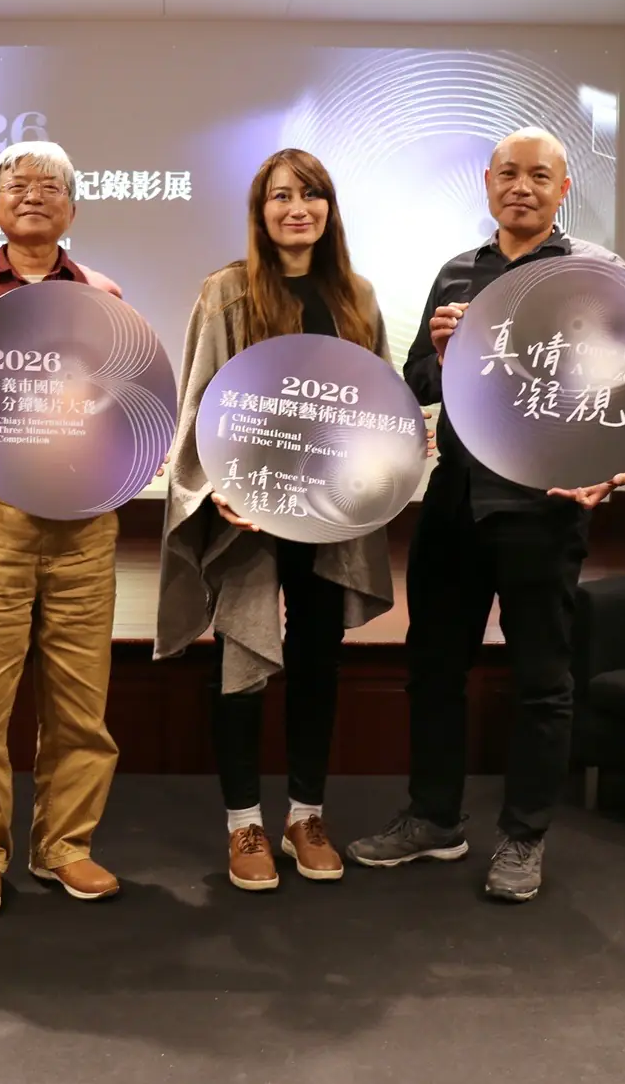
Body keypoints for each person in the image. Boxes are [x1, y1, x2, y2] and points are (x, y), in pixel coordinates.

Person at [346, 127, 625, 903]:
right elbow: (415, 380)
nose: (521, 186)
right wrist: (440, 355)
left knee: (540, 678)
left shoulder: (594, 273)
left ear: (562, 188)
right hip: (455, 497)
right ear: (486, 182)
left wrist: (619, 466)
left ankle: (523, 835)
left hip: (543, 503)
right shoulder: (457, 271)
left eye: (538, 175)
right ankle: (433, 817)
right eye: (508, 173)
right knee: (433, 667)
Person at [158, 148, 396, 892]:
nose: (298, 208)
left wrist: (395, 450)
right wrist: (217, 487)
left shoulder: (356, 295)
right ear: (260, 212)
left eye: (312, 194)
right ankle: (243, 821)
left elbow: (375, 400)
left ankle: (304, 815)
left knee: (319, 657)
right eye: (281, 196)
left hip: (328, 513)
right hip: (250, 512)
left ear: (329, 208)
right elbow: (202, 398)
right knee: (242, 655)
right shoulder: (228, 291)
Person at [0, 141, 125, 916]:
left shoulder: (103, 295)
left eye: (51, 186)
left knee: (81, 703)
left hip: (84, 522)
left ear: (72, 208)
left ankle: (65, 845)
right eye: (18, 184)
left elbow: (124, 400)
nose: (34, 194)